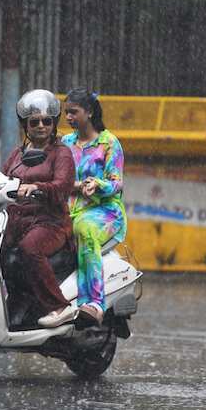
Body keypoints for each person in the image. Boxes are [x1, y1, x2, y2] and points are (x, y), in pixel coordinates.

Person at [1, 89, 79, 328]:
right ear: (26, 125)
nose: (41, 126)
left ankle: (59, 306)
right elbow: (1, 180)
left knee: (29, 249)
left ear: (54, 124)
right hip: (17, 222)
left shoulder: (61, 153)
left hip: (50, 223)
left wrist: (36, 186)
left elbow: (62, 186)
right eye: (34, 122)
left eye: (47, 121)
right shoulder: (17, 154)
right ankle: (14, 302)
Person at [61, 88, 127, 325]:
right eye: (66, 113)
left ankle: (94, 304)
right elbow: (60, 179)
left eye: (73, 112)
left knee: (85, 230)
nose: (68, 118)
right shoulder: (66, 143)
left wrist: (97, 185)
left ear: (88, 112)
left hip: (104, 212)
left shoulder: (109, 143)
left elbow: (116, 183)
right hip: (71, 210)